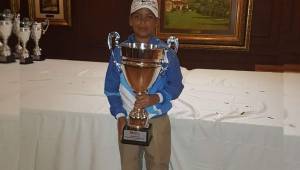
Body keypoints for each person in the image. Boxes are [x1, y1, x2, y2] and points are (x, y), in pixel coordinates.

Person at [104, 0, 184, 169]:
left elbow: (176, 85)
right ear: (130, 20)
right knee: (129, 164)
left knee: (158, 164)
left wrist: (156, 98)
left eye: (149, 17)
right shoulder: (119, 53)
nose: (142, 22)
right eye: (137, 17)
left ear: (156, 22)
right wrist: (119, 115)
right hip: (128, 119)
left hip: (157, 119)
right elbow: (110, 89)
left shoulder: (167, 54)